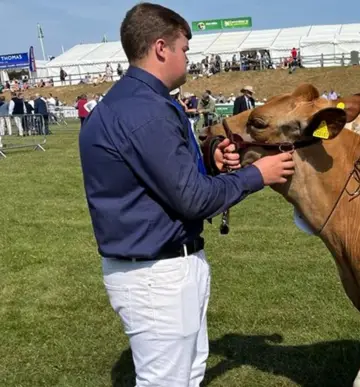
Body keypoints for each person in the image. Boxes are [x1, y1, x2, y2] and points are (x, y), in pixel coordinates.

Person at [77, 3, 295, 386]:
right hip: (154, 274)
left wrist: (210, 159)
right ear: (162, 48)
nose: (188, 58)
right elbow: (192, 199)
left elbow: (160, 176)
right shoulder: (144, 110)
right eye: (185, 49)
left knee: (189, 373)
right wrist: (257, 175)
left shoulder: (138, 102)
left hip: (162, 265)